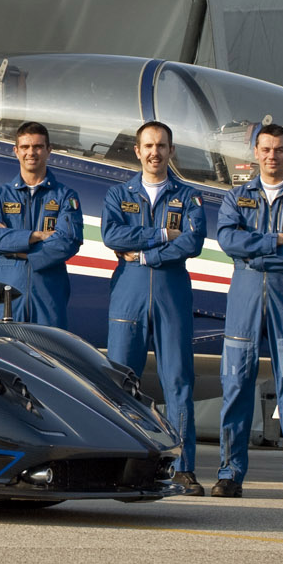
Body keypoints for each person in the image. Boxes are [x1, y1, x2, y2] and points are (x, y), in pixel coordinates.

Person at [212, 123, 283, 499]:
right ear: (255, 153)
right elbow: (229, 240)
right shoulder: (236, 197)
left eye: (279, 149)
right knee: (236, 385)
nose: (272, 156)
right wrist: (275, 240)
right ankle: (229, 473)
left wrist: (256, 250)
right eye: (265, 149)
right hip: (244, 296)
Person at [102, 120, 207, 496]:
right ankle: (119, 464)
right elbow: (111, 235)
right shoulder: (119, 195)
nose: (154, 152)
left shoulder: (188, 196)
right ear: (137, 150)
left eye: (161, 146)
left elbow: (193, 242)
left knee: (178, 380)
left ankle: (183, 468)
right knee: (120, 381)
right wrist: (163, 234)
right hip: (128, 292)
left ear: (171, 150)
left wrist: (145, 256)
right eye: (148, 146)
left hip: (170, 289)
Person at [0, 121, 82, 327]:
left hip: (48, 288)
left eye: (37, 147)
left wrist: (20, 251)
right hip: (7, 284)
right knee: (4, 349)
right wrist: (35, 236)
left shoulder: (65, 196)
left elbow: (68, 242)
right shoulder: (0, 195)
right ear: (16, 151)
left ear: (48, 150)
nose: (31, 153)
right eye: (25, 147)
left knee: (50, 352)